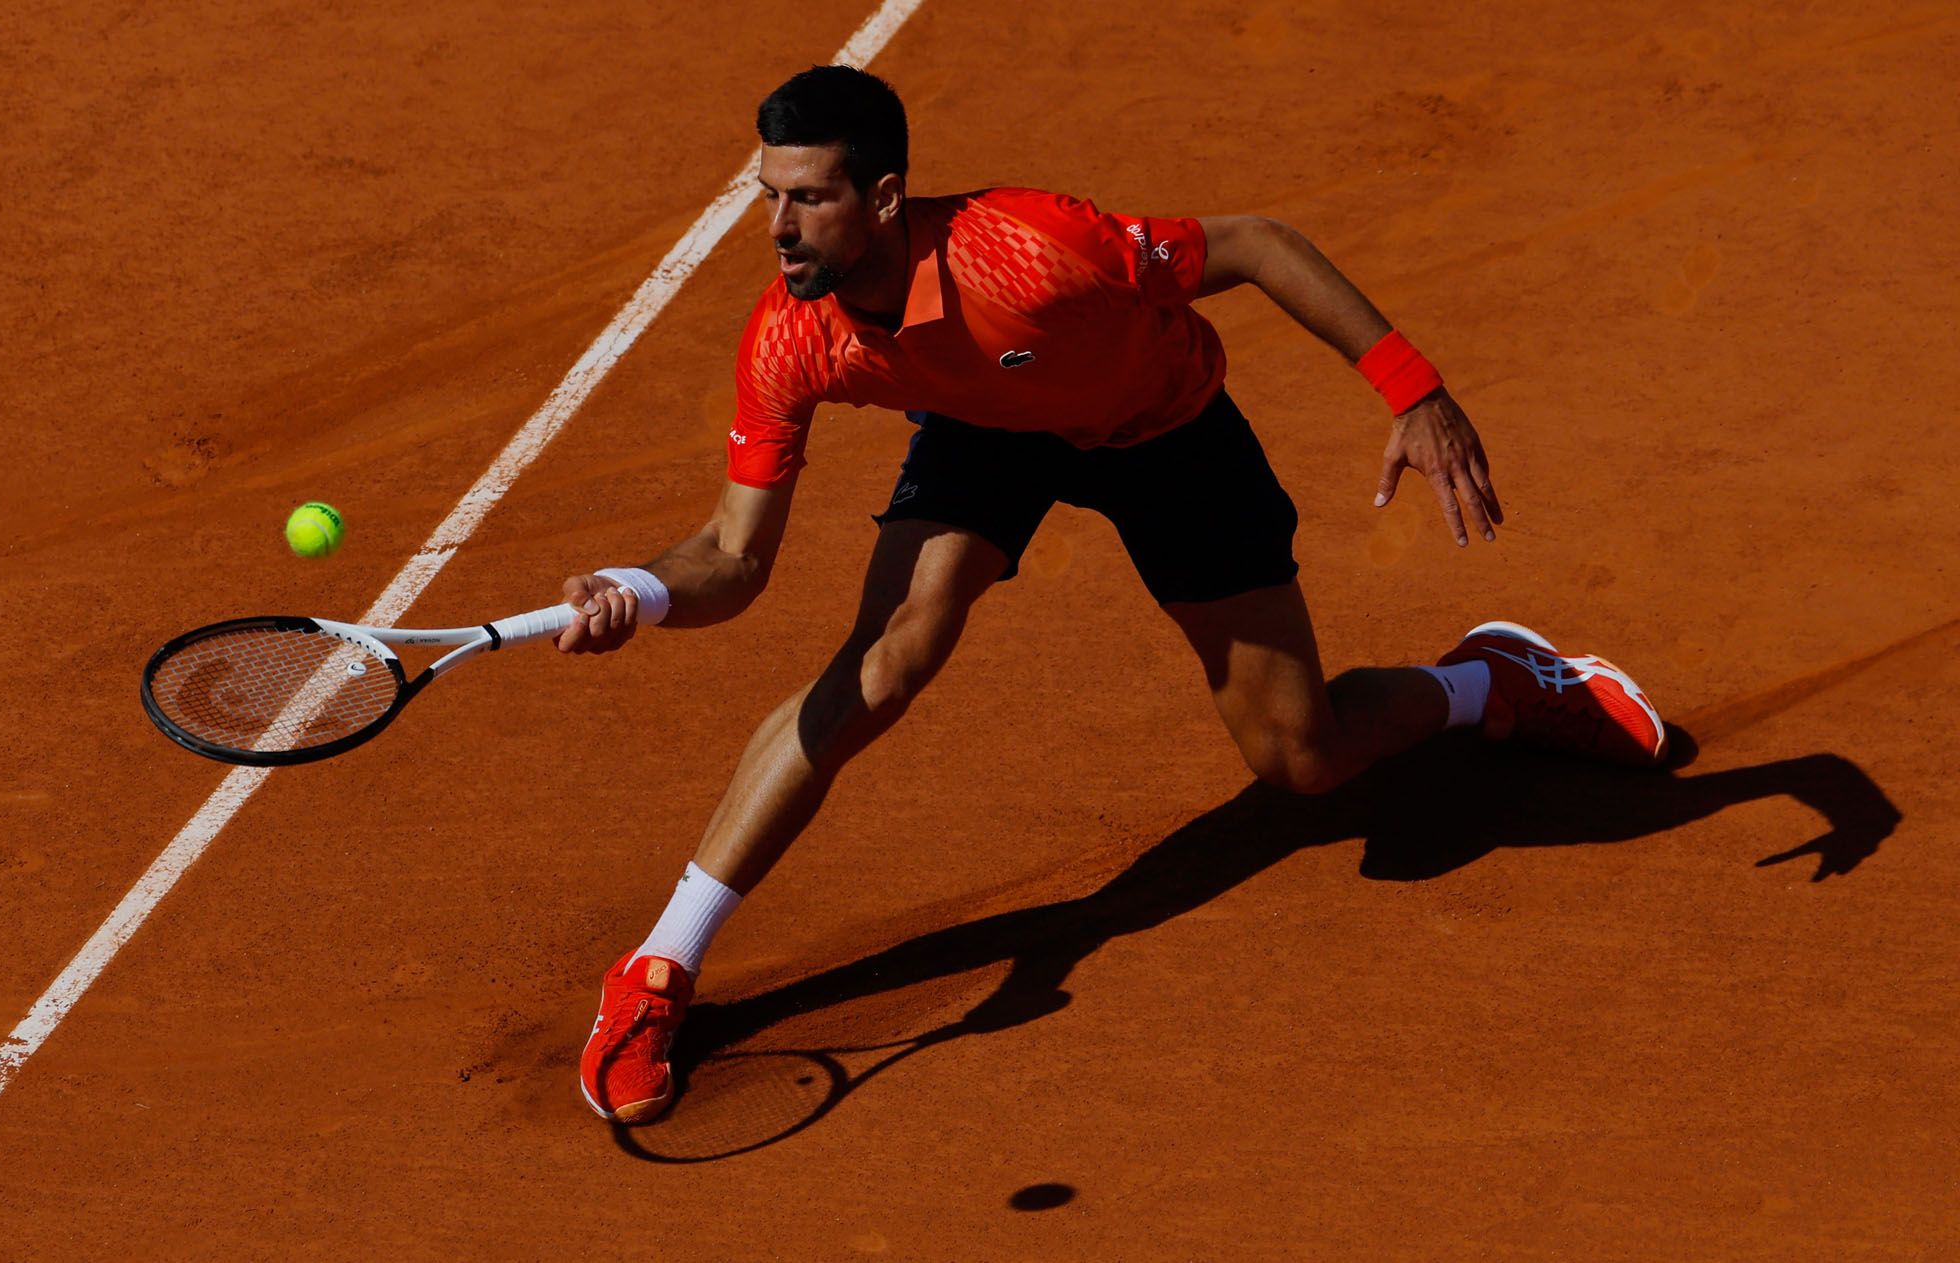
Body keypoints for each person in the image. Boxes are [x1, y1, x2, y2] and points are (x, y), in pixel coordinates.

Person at [559, 65, 1666, 1123]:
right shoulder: (793, 334)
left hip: (1164, 433)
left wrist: (1411, 390)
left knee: (1302, 760)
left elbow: (1258, 246)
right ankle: (661, 967)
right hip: (989, 436)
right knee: (884, 661)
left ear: (883, 197)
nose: (778, 227)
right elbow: (731, 556)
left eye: (807, 198)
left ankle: (1489, 683)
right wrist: (634, 591)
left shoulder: (1032, 251)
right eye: (769, 198)